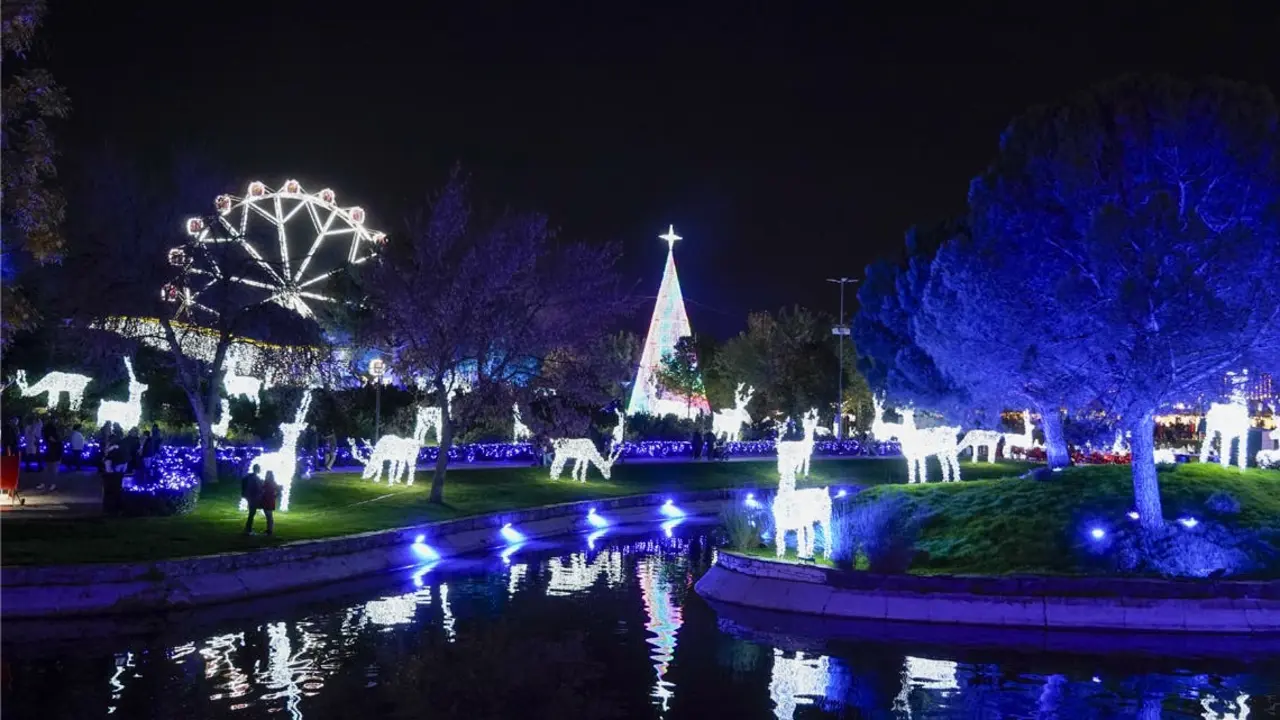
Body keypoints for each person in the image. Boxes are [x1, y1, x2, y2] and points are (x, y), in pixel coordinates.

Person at [242, 464, 263, 535]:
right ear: (257, 469)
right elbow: (258, 488)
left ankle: (248, 527)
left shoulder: (249, 476)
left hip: (249, 496)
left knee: (252, 512)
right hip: (253, 497)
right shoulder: (255, 478)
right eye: (259, 468)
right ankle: (248, 529)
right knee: (252, 513)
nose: (260, 470)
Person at [259, 470, 279, 536]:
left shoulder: (269, 483)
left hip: (268, 501)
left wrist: (273, 496)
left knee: (269, 516)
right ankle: (269, 529)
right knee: (268, 516)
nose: (266, 475)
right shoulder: (270, 482)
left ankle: (270, 530)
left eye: (267, 474)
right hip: (267, 500)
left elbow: (277, 491)